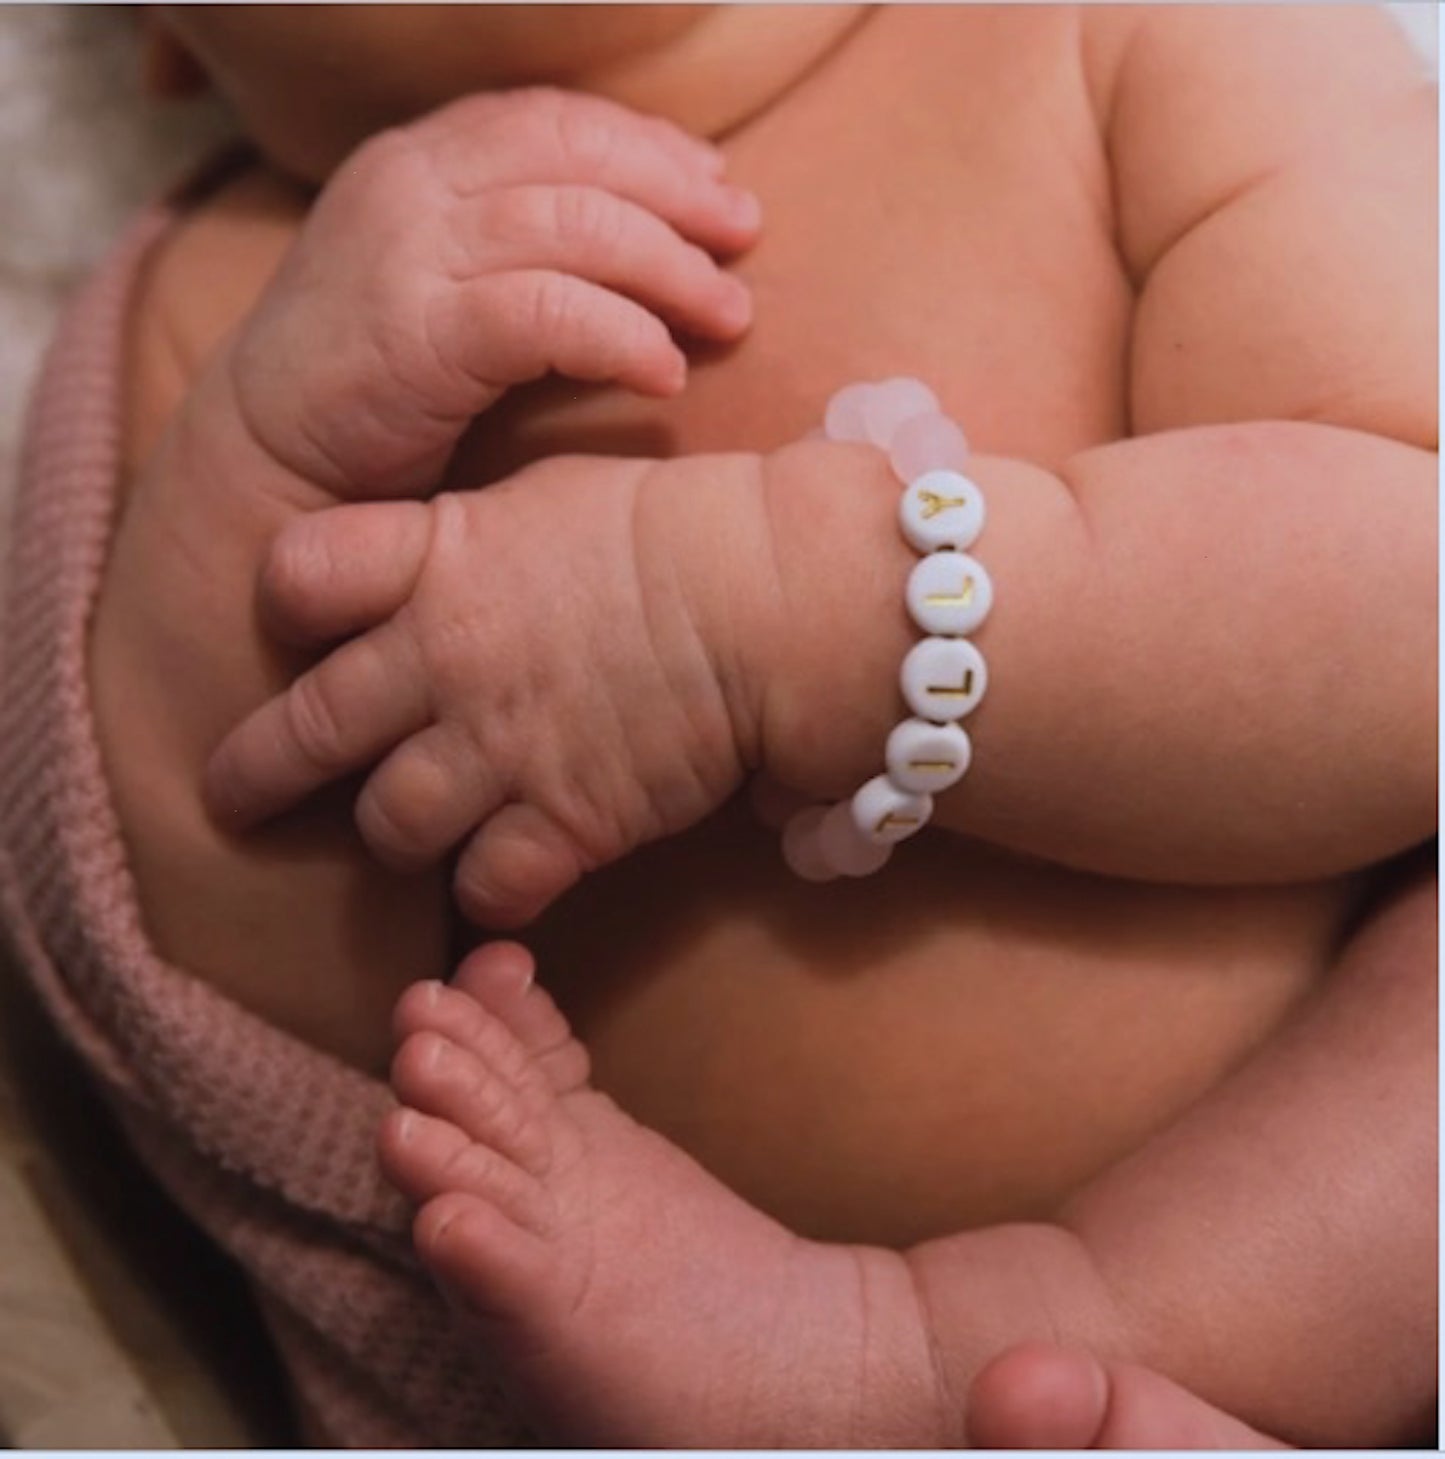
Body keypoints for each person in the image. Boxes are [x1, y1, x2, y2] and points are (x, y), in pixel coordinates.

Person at [0, 2, 1433, 1447]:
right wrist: (268, 454)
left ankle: (956, 1363)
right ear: (167, 38)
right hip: (582, 1359)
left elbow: (1409, 606)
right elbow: (227, 1012)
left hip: (1309, 1258)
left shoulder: (1127, 33)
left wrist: (784, 617)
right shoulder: (232, 307)